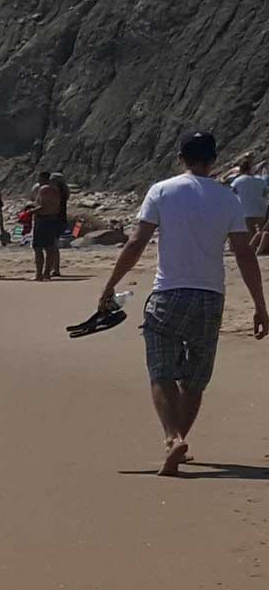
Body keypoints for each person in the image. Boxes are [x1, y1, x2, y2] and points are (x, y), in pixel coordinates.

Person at [96, 131, 269, 476]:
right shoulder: (228, 198)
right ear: (214, 160)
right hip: (210, 298)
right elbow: (245, 254)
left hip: (168, 294)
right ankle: (179, 441)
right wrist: (260, 306)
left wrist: (110, 285)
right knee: (195, 379)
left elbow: (135, 243)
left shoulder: (162, 190)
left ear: (180, 158)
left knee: (161, 372)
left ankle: (172, 438)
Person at [30, 170, 64, 280]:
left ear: (42, 178)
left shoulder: (44, 189)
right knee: (49, 247)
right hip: (53, 219)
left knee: (38, 248)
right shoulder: (56, 189)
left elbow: (43, 206)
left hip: (43, 219)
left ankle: (39, 274)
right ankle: (47, 273)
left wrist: (30, 212)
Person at [230, 153, 268, 253]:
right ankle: (263, 248)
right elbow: (265, 194)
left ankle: (253, 249)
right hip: (260, 209)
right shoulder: (260, 180)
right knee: (262, 230)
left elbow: (231, 193)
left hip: (245, 210)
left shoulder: (238, 181)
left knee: (250, 231)